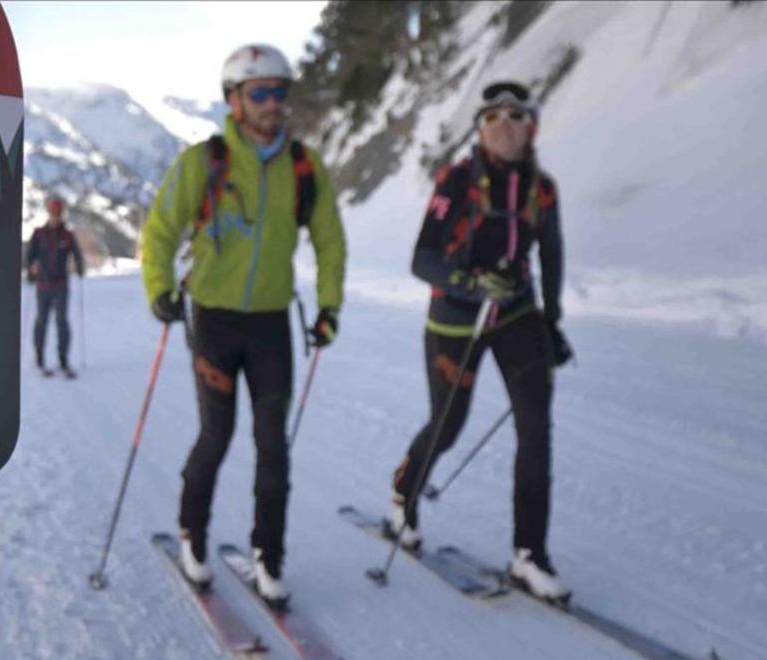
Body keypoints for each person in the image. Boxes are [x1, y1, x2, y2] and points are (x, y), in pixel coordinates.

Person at [141, 44, 347, 605]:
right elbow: (160, 230)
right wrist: (159, 288)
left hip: (271, 326)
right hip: (214, 319)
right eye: (260, 93)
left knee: (273, 446)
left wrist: (329, 306)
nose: (273, 103)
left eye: (280, 91)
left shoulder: (304, 167)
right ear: (234, 100)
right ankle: (193, 536)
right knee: (216, 435)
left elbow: (330, 238)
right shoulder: (204, 162)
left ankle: (268, 557)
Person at [386, 81, 574, 601]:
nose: (502, 125)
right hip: (455, 317)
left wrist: (551, 322)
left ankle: (529, 555)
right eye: (491, 117)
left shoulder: (542, 189)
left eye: (514, 116)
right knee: (448, 424)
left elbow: (551, 254)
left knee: (536, 428)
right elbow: (422, 259)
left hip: (516, 313)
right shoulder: (458, 180)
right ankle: (404, 491)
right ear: (480, 128)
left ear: (530, 127)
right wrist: (470, 283)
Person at [26, 196, 85, 378]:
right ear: (48, 213)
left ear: (62, 214)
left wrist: (79, 267)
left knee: (62, 322)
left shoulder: (68, 235)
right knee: (41, 321)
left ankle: (63, 360)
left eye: (58, 213)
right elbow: (29, 256)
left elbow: (77, 254)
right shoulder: (38, 233)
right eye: (53, 213)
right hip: (43, 285)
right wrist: (30, 271)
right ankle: (39, 358)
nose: (55, 216)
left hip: (61, 285)